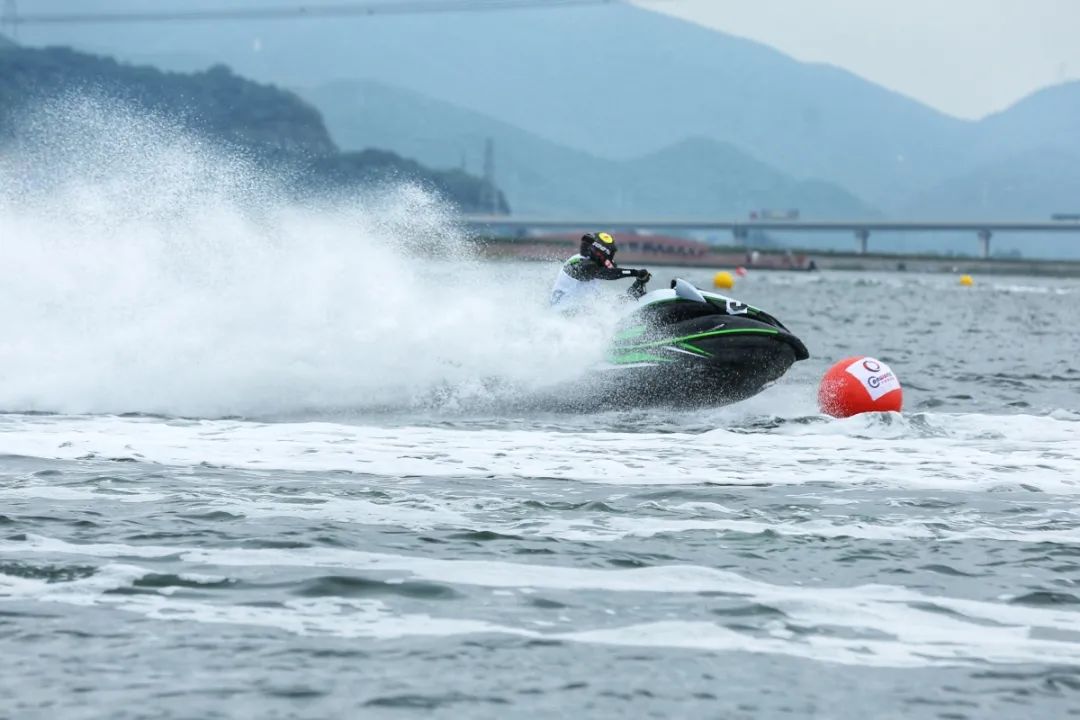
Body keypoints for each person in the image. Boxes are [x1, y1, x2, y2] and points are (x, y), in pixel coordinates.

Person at [549, 232, 651, 310]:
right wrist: (634, 272)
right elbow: (606, 274)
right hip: (564, 314)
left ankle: (634, 295)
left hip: (579, 312)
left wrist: (637, 283)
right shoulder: (580, 262)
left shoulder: (594, 268)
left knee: (616, 304)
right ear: (599, 252)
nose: (610, 259)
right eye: (608, 255)